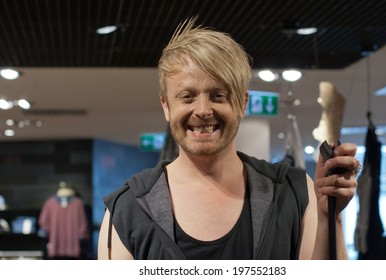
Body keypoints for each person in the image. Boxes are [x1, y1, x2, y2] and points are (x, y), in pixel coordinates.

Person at [97, 18, 360, 260]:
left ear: (242, 103)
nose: (202, 110)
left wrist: (330, 219)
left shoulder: (292, 191)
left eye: (218, 95)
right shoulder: (128, 210)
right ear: (166, 106)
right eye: (187, 96)